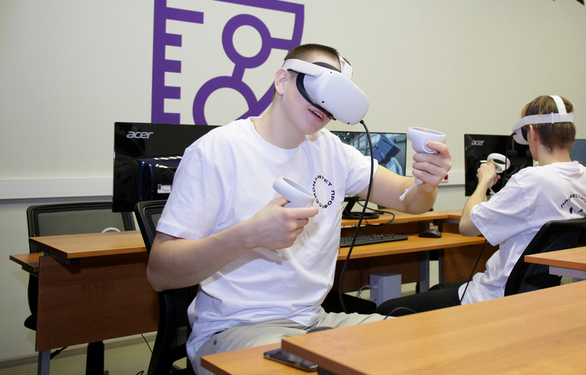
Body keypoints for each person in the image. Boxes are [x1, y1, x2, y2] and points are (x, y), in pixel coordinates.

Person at [145, 43, 451, 374]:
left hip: (313, 322)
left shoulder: (332, 151)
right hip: (235, 329)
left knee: (420, 350)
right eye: (321, 86)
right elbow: (160, 273)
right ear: (282, 80)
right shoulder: (217, 151)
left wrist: (427, 183)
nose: (324, 104)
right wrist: (248, 236)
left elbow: (411, 201)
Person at [376, 95, 586, 315]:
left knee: (386, 310)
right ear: (573, 132)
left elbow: (467, 226)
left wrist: (483, 182)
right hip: (540, 296)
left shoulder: (531, 180)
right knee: (439, 289)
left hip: (497, 297)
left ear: (532, 133)